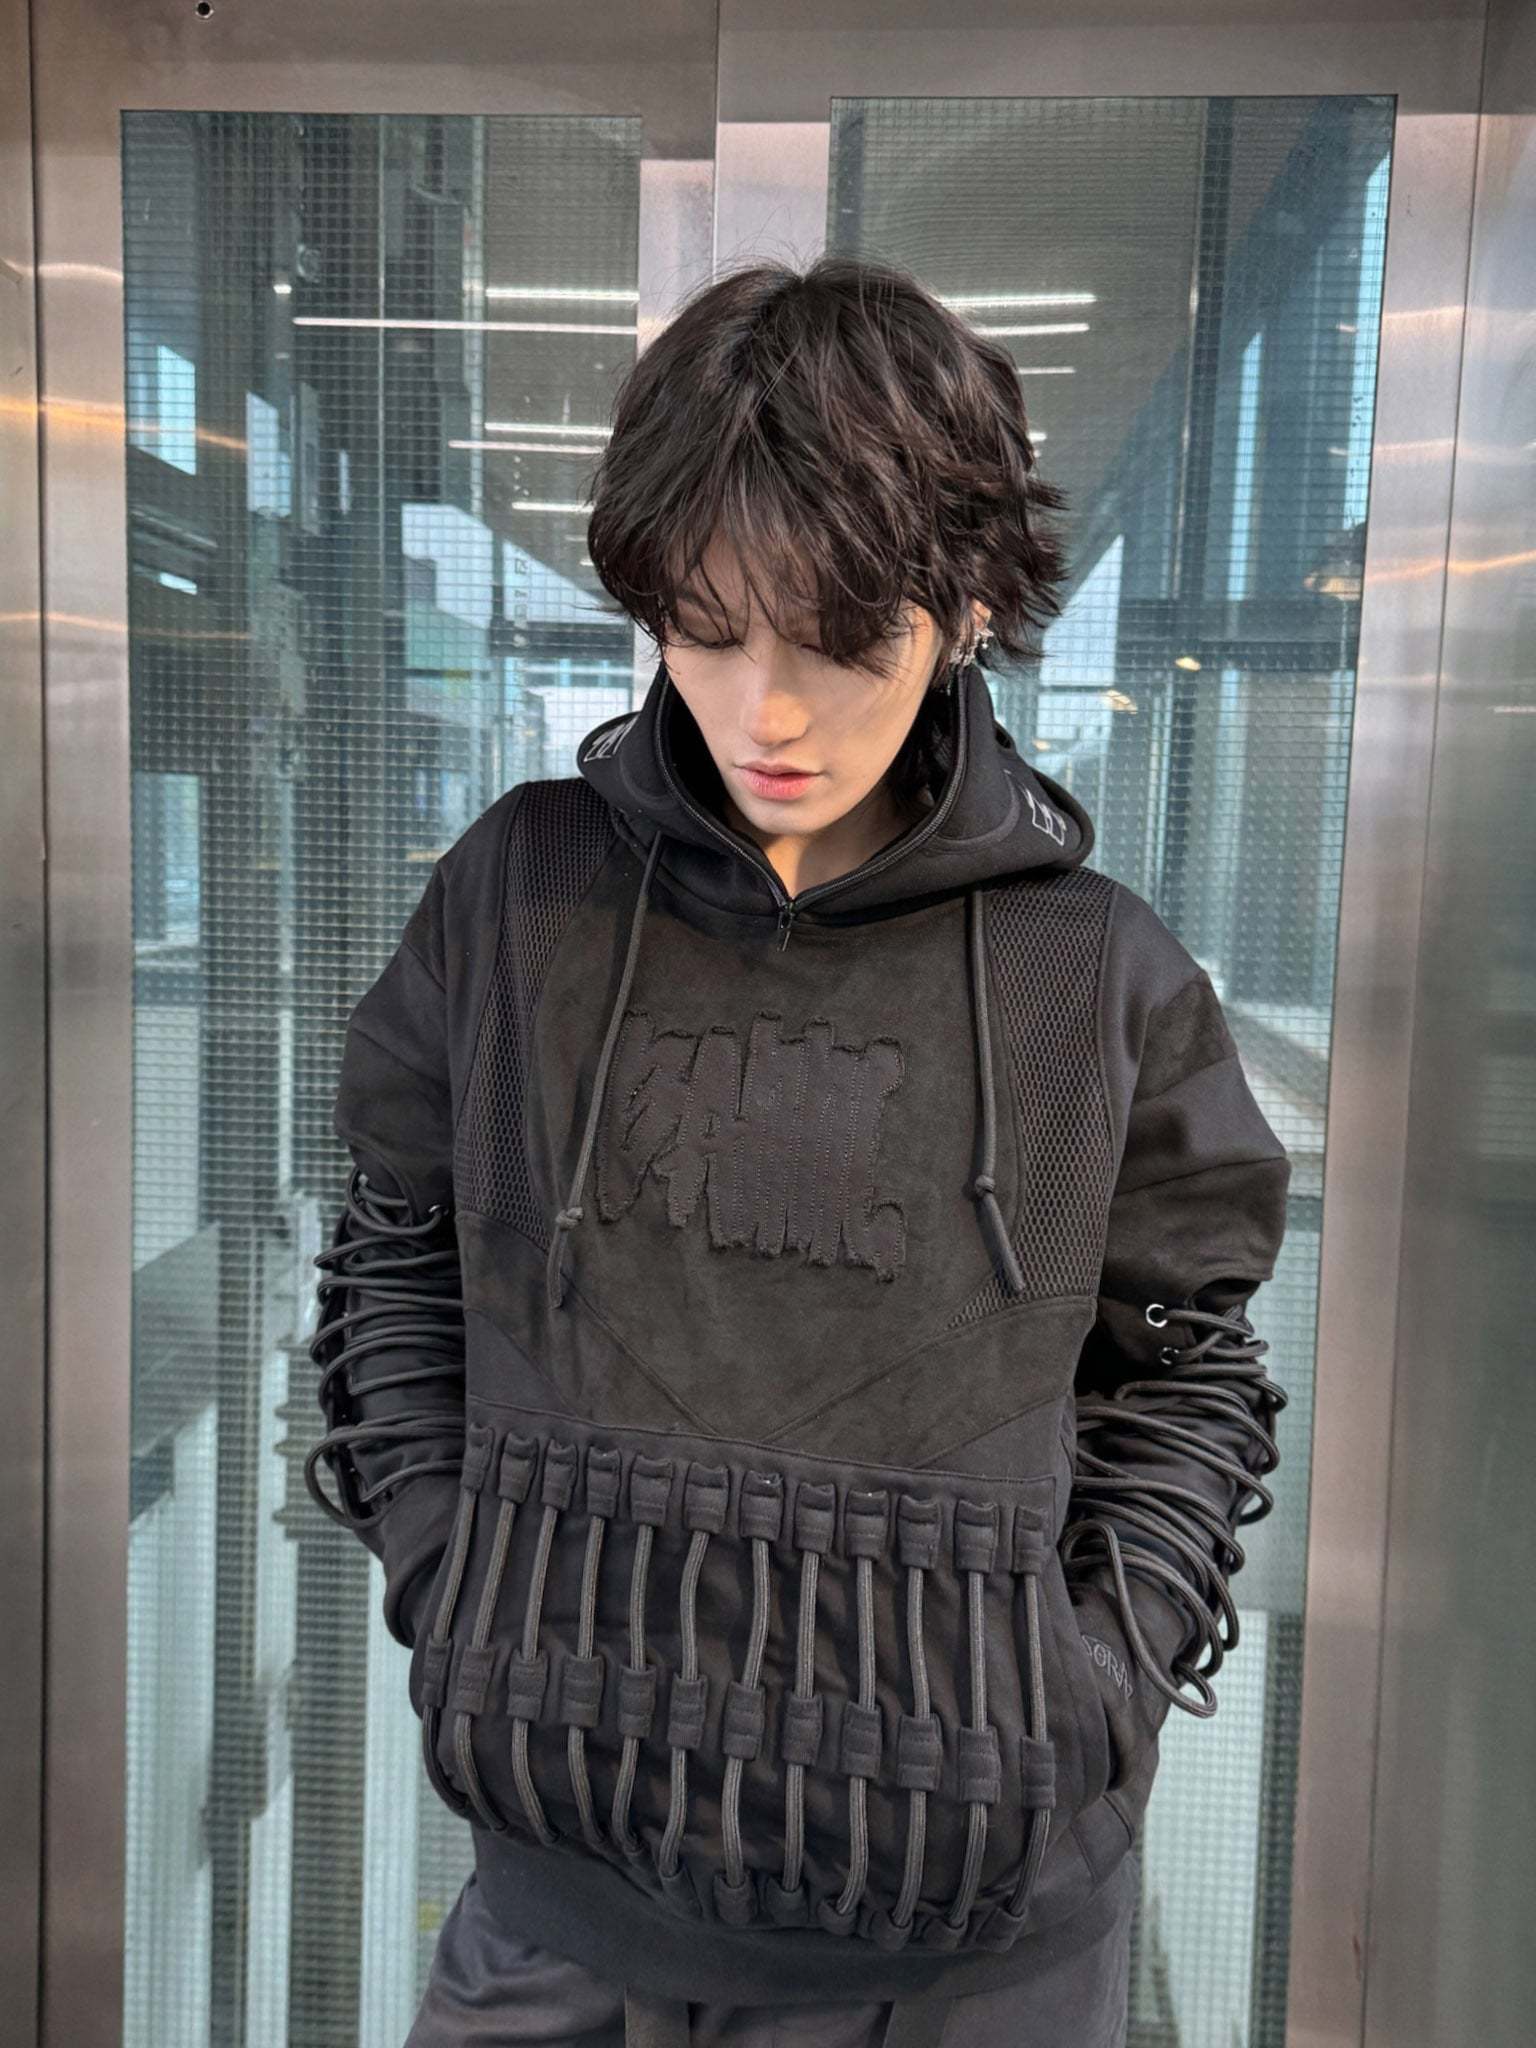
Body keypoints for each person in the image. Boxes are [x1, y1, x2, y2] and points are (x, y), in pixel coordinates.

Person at [305, 254, 1291, 2048]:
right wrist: (458, 1587)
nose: (765, 710)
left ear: (968, 607)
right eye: (706, 629)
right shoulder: (517, 899)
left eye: (841, 643)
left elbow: (1187, 1368)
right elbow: (397, 1247)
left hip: (974, 1956)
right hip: (560, 1912)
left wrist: (1083, 1694)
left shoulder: (1096, 975)